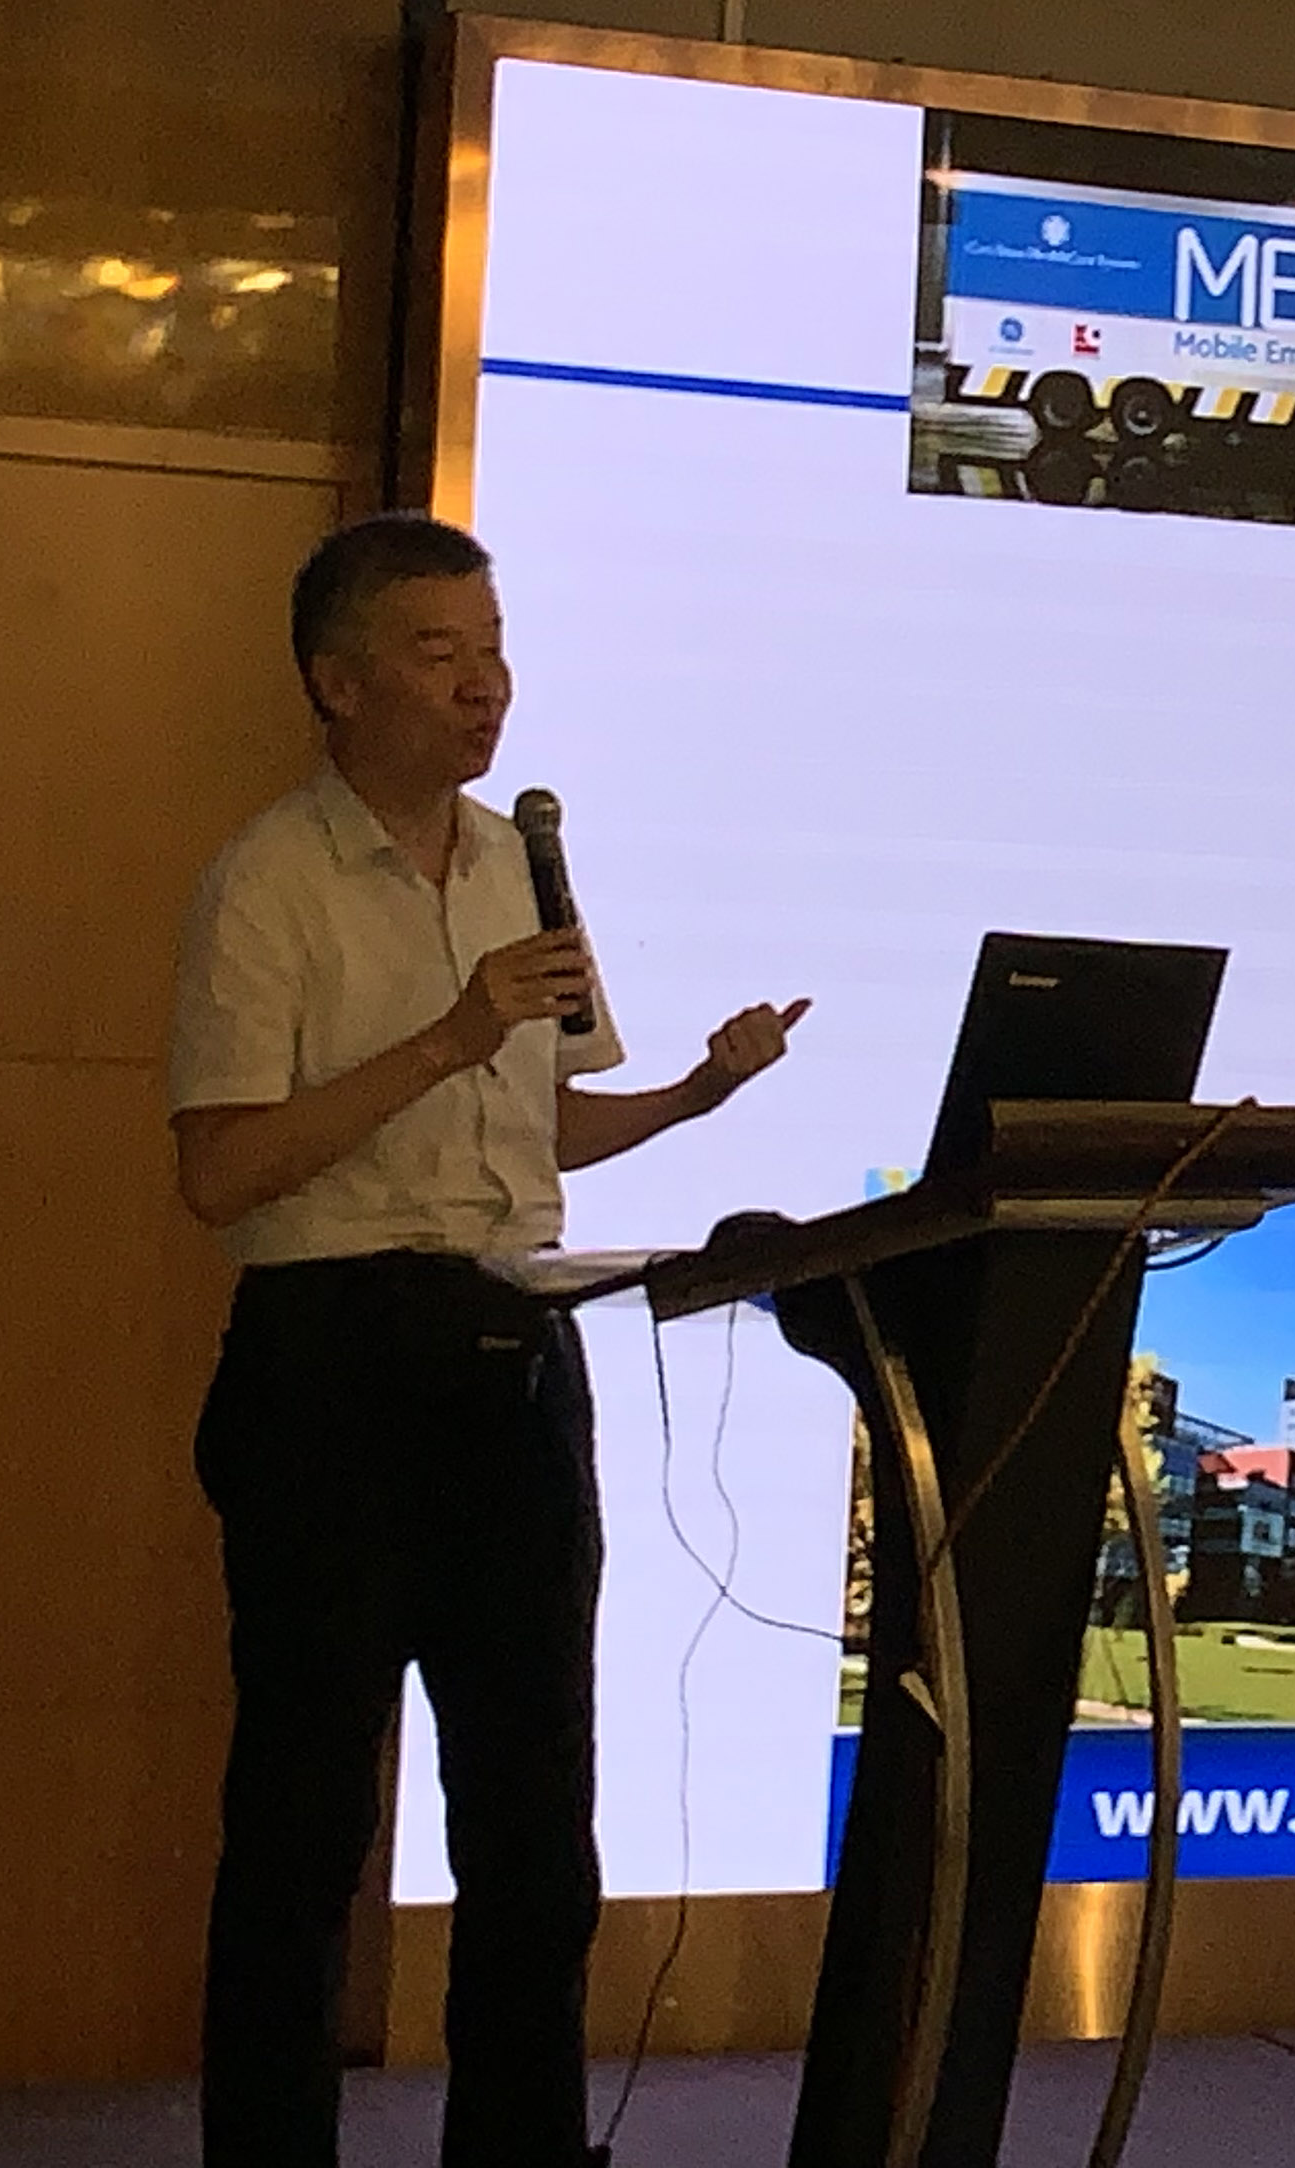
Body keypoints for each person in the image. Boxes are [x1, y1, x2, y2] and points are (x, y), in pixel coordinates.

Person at [169, 513, 806, 2168]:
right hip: (332, 1372)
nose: (485, 687)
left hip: (517, 1364)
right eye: (440, 653)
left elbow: (540, 1123)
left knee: (536, 1837)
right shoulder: (269, 880)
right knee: (303, 1831)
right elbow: (221, 1170)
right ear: (338, 682)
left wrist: (698, 1093)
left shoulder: (521, 862)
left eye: (496, 649)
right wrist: (453, 1031)